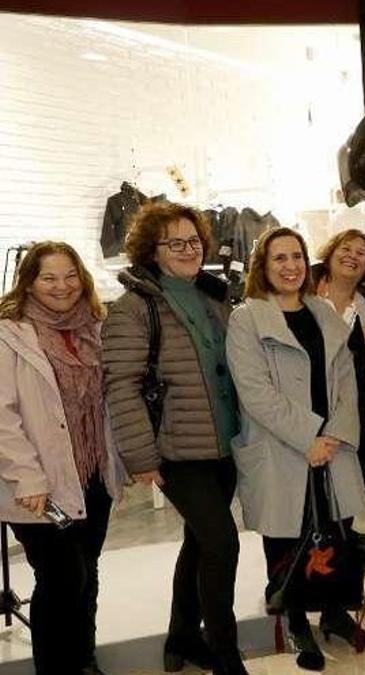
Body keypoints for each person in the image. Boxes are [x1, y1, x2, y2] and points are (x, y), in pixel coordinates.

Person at [101, 203, 246, 674]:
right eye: (175, 243)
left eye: (193, 241)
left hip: (222, 445)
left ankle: (182, 638)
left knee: (199, 542)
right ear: (152, 250)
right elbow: (120, 385)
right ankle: (226, 657)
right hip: (175, 450)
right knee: (222, 544)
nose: (188, 250)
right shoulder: (136, 306)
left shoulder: (213, 297)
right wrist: (141, 456)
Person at [226, 228, 365, 670]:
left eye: (296, 256)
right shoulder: (247, 318)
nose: (290, 266)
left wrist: (336, 434)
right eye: (279, 259)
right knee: (287, 535)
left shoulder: (322, 312)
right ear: (263, 267)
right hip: (282, 447)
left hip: (333, 446)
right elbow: (253, 391)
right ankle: (294, 619)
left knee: (337, 529)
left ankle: (334, 613)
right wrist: (307, 438)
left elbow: (347, 378)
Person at [0, 242, 123, 675]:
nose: (62, 286)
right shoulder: (9, 333)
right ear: (29, 281)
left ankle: (83, 659)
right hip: (39, 485)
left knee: (86, 572)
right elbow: (2, 415)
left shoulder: (95, 326)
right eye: (49, 277)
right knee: (61, 578)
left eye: (70, 275)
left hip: (90, 476)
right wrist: (28, 477)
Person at [311, 230, 365, 536]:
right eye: (346, 248)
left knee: (346, 495)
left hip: (354, 406)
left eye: (361, 252)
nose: (352, 256)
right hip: (313, 404)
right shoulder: (306, 293)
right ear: (330, 253)